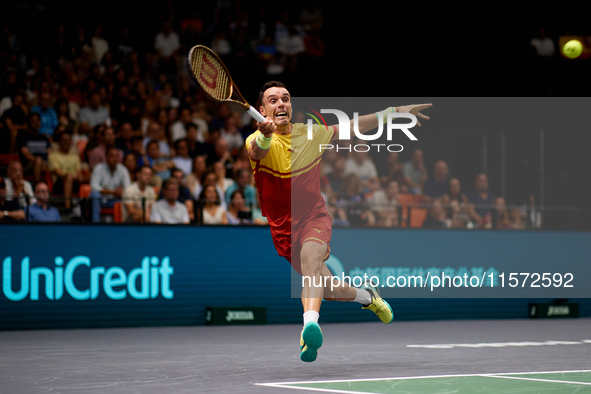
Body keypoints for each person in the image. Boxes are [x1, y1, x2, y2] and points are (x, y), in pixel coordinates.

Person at [246, 80, 431, 362]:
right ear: (262, 110)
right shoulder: (255, 139)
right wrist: (265, 136)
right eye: (273, 100)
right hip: (283, 229)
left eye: (285, 98)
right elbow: (256, 152)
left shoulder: (311, 134)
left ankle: (310, 326)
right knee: (331, 291)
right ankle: (368, 296)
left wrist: (393, 111)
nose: (281, 103)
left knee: (311, 260)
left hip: (313, 216)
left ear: (291, 106)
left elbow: (354, 126)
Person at [89, 146, 131, 223]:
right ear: (106, 157)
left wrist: (122, 191)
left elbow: (128, 188)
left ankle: (122, 226)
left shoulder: (123, 169)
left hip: (115, 199)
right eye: (112, 156)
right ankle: (95, 224)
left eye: (116, 156)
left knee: (128, 197)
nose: (114, 159)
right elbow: (94, 187)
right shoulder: (98, 168)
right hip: (101, 199)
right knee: (95, 195)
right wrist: (113, 192)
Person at [48, 132, 85, 209]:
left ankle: (86, 206)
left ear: (71, 142)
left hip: (74, 182)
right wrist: (71, 176)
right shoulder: (53, 156)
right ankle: (67, 205)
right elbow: (59, 173)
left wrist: (80, 177)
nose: (67, 142)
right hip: (59, 184)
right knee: (69, 176)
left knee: (90, 175)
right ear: (59, 142)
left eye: (68, 140)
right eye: (64, 140)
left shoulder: (75, 156)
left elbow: (78, 172)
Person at [16, 112, 51, 182]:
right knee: (38, 160)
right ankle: (37, 186)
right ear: (28, 123)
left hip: (44, 164)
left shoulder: (44, 138)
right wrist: (39, 162)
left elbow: (50, 153)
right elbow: (26, 153)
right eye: (33, 121)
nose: (36, 123)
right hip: (29, 165)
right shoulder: (23, 137)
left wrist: (46, 164)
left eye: (38, 121)